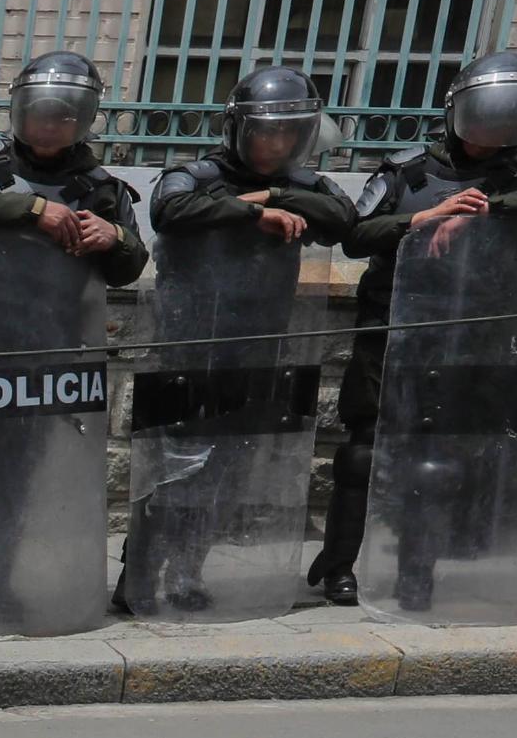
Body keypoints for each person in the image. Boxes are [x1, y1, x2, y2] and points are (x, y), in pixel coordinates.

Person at [309, 53, 517, 607]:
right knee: (364, 453)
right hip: (393, 329)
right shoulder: (407, 171)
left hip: (474, 332)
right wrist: (422, 220)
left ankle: (418, 570)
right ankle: (339, 564)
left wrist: (483, 212)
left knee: (443, 457)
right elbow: (357, 236)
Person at [0, 52, 148, 631]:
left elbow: (130, 267)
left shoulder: (102, 187)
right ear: (19, 111)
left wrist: (112, 235)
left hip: (47, 355)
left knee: (18, 476)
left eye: (62, 118)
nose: (48, 126)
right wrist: (35, 209)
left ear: (82, 120)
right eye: (40, 115)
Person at [126, 67, 354, 612]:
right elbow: (171, 211)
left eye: (288, 133)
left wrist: (275, 193)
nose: (277, 142)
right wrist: (255, 210)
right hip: (186, 348)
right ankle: (137, 572)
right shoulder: (195, 174)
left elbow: (343, 219)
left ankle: (187, 572)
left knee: (225, 470)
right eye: (266, 131)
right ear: (239, 128)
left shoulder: (304, 184)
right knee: (177, 470)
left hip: (257, 348)